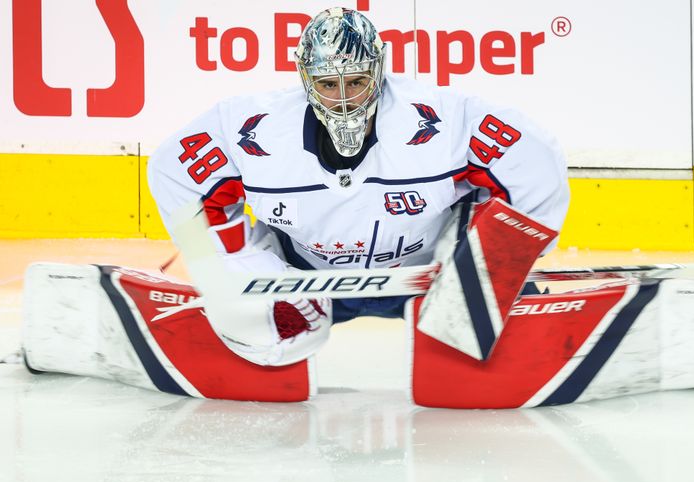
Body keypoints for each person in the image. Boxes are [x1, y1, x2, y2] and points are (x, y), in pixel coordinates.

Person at [146, 6, 569, 367]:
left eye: (357, 81)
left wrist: (501, 261)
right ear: (305, 78)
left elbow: (533, 163)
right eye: (329, 84)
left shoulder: (444, 119)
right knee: (255, 327)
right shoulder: (251, 129)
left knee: (485, 335)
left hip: (431, 278)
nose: (344, 98)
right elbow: (173, 172)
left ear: (379, 69)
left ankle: (484, 311)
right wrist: (243, 268)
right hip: (306, 281)